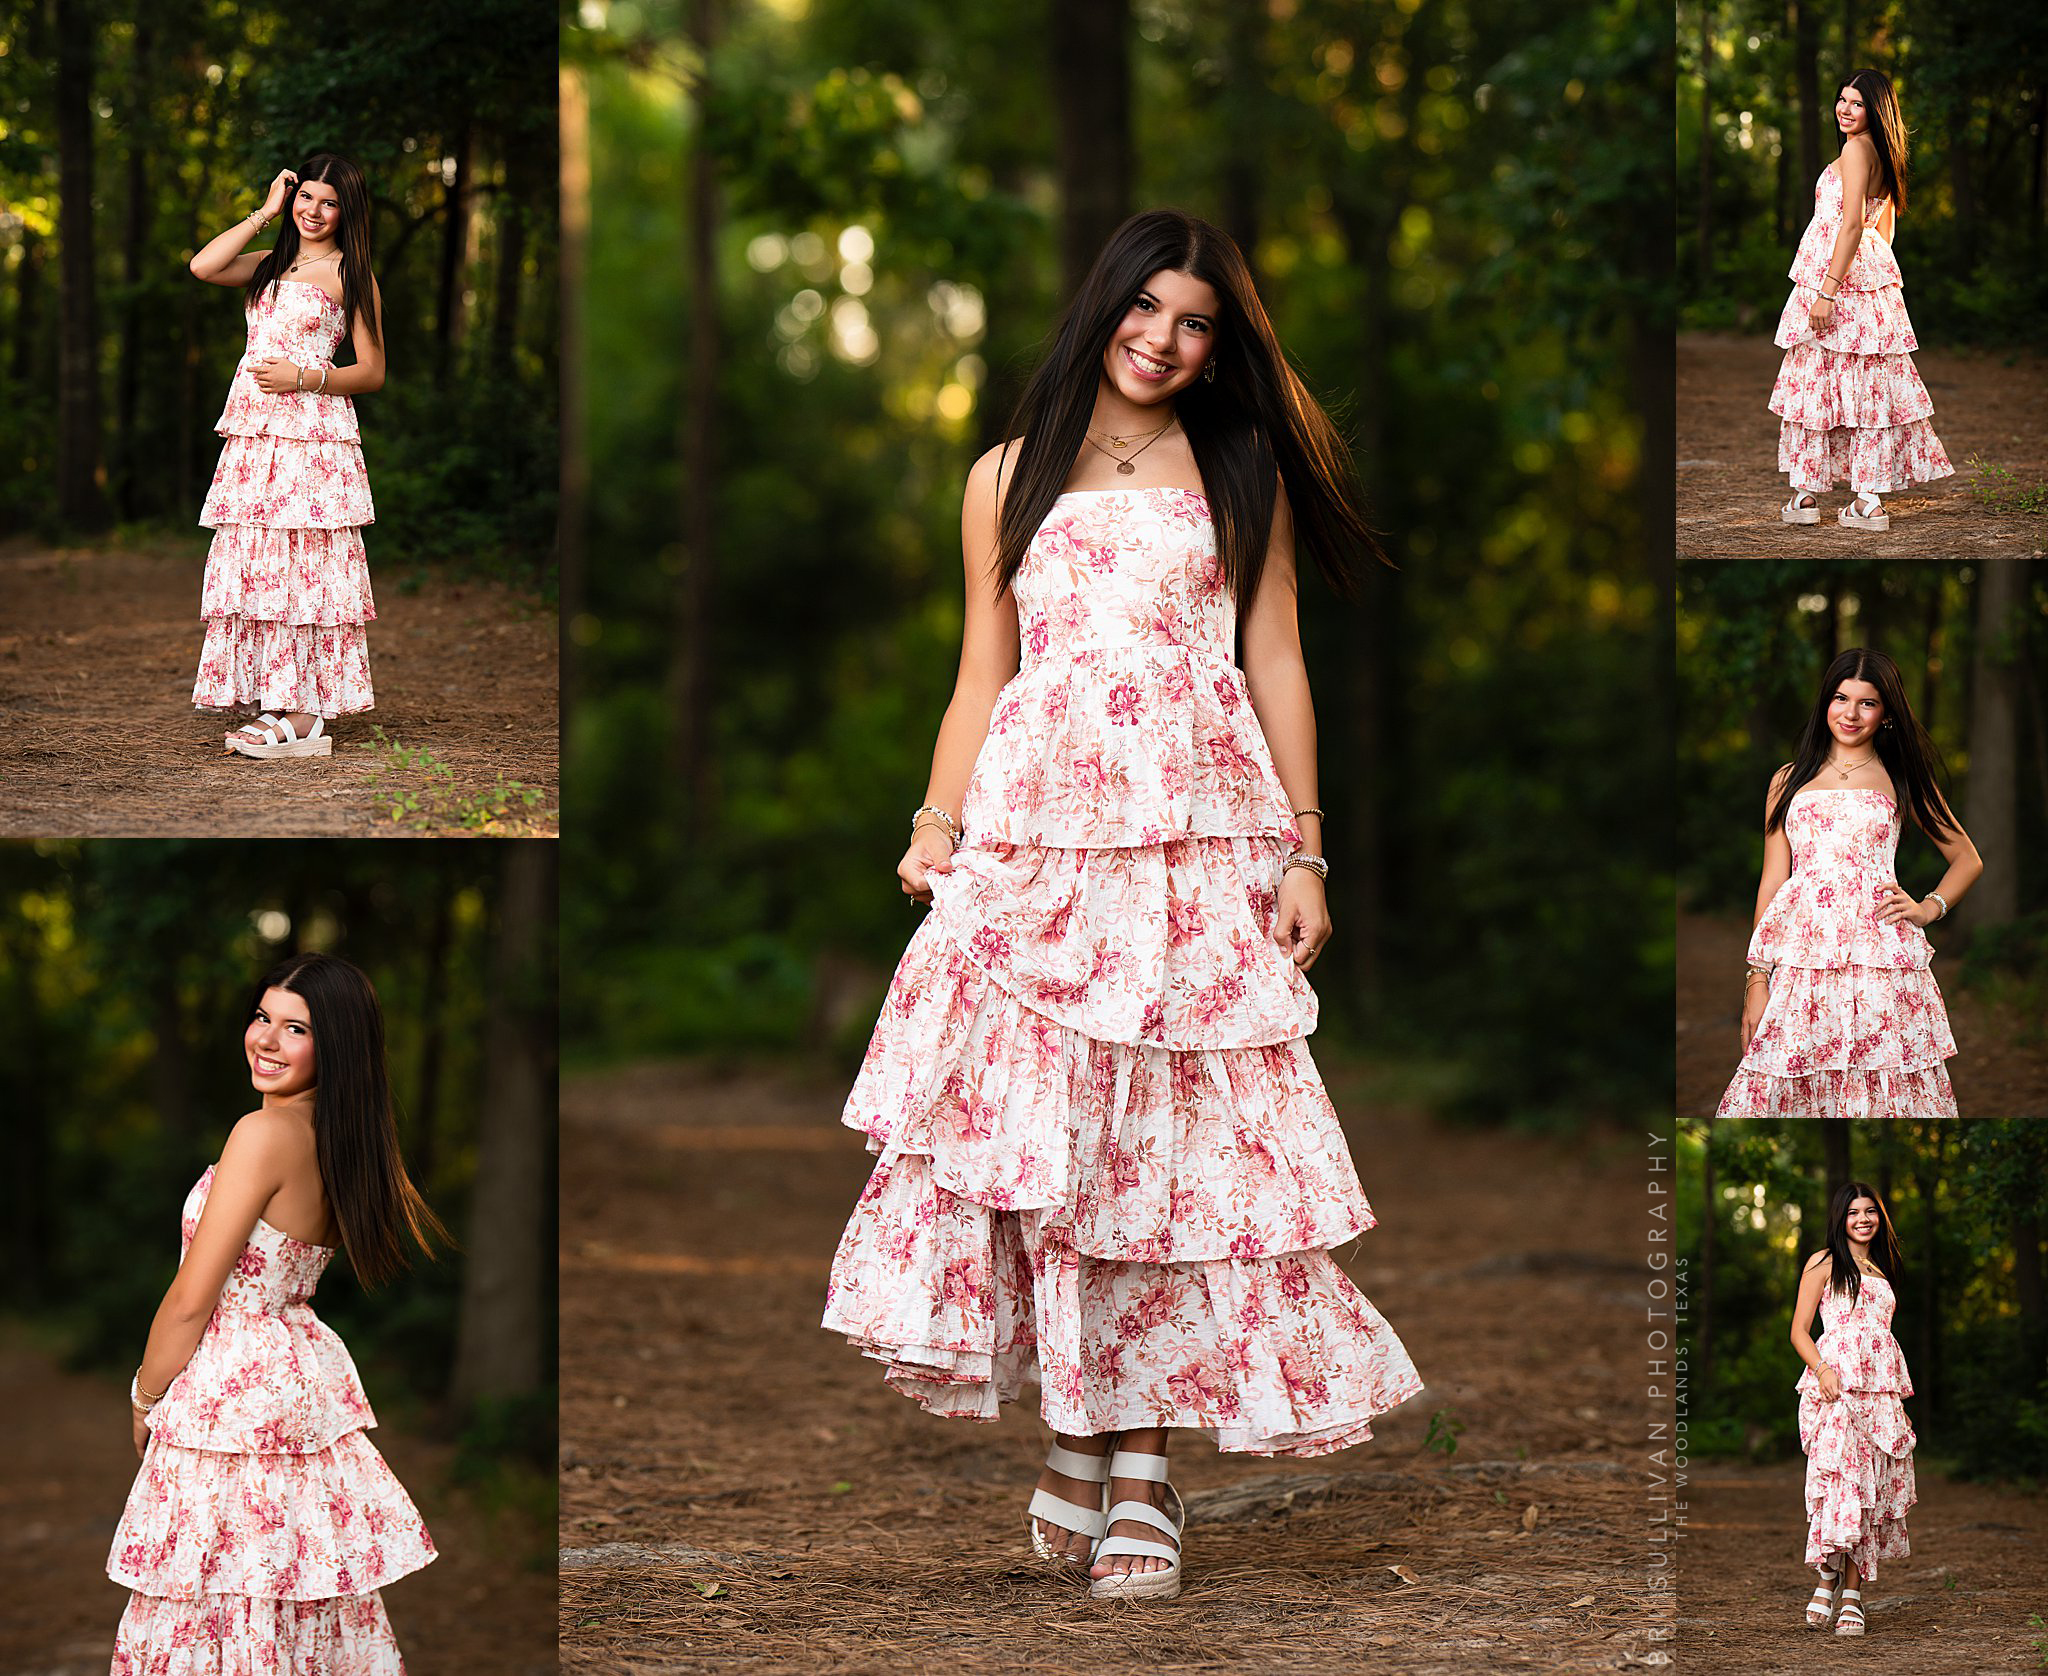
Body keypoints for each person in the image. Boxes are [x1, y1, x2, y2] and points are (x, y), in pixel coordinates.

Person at [820, 208, 1423, 1603]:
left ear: (1221, 347)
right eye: (1144, 309)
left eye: (1195, 321)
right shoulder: (1004, 476)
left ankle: (1144, 1468)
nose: (1163, 340)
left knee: (1170, 1157)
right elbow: (984, 671)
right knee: (1048, 1143)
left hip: (1194, 839)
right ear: (1102, 310)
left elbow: (1274, 661)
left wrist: (1305, 849)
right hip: (1040, 840)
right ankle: (1077, 1433)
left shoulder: (1244, 467)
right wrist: (936, 822)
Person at [108, 953, 445, 1671]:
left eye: (296, 1029)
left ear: (338, 1048)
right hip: (294, 1377)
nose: (264, 1039)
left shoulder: (261, 1136)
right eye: (263, 1017)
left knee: (215, 1591)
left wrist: (145, 1394)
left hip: (231, 1389)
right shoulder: (341, 1142)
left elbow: (193, 1298)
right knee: (290, 1585)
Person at [1718, 647, 1980, 1120]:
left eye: (1867, 702)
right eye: (1841, 698)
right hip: (1803, 963)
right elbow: (1773, 881)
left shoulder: (1902, 779)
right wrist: (1756, 978)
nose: (1851, 714)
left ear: (1886, 714)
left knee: (1885, 1085)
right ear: (1825, 703)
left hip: (1879, 961)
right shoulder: (1787, 781)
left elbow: (1967, 858)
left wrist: (1928, 907)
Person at [187, 156, 385, 758]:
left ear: (345, 212)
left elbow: (373, 371)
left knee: (307, 566)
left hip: (312, 433)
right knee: (262, 562)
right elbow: (203, 265)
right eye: (306, 199)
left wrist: (305, 376)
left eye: (329, 203)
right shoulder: (271, 266)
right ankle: (275, 698)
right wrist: (265, 211)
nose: (314, 212)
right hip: (255, 434)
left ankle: (304, 714)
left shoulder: (351, 275)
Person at [1771, 69, 1952, 533]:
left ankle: (1808, 495)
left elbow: (1851, 223)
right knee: (1865, 385)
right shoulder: (1882, 152)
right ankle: (1865, 501)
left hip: (1837, 277)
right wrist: (1874, 282)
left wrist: (1827, 290)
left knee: (1821, 380)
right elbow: (1883, 230)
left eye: (1856, 103)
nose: (1845, 109)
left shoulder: (1854, 150)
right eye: (1842, 100)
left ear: (1876, 109)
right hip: (1867, 273)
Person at [1790, 1182, 1915, 1636]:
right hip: (1838, 1388)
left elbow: (1881, 1336)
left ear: (1880, 1219)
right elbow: (1799, 1331)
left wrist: (1894, 1404)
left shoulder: (1882, 1269)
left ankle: (1853, 1595)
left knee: (1872, 1491)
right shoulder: (1824, 1262)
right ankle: (1827, 1576)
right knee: (1842, 1483)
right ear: (1841, 1218)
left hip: (1880, 1393)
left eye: (1871, 1212)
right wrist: (1822, 1370)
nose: (1864, 1219)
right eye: (1854, 1212)